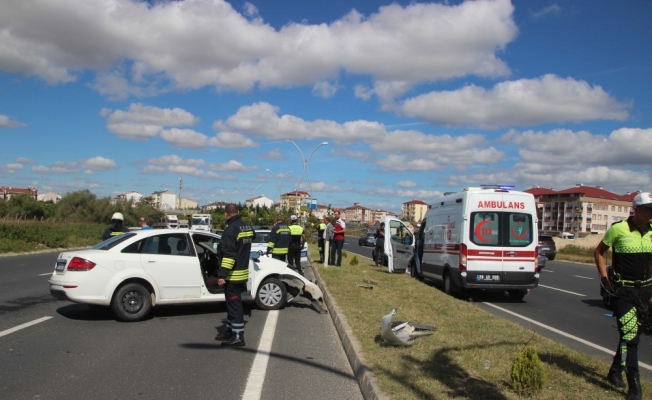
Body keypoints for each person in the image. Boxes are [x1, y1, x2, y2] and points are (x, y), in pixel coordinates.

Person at [594, 192, 652, 400]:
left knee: (633, 335)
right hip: (624, 292)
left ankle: (615, 370)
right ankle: (634, 386)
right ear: (635, 209)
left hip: (646, 291)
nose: (651, 212)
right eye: (648, 208)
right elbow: (599, 252)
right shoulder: (619, 229)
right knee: (631, 339)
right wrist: (604, 277)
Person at [215, 203, 254, 347]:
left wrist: (222, 275)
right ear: (238, 212)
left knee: (235, 305)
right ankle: (230, 331)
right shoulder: (247, 227)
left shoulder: (230, 231)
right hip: (242, 272)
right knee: (232, 305)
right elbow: (251, 238)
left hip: (233, 275)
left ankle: (238, 336)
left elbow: (229, 256)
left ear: (226, 214)